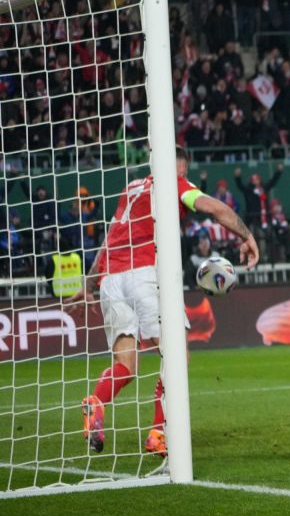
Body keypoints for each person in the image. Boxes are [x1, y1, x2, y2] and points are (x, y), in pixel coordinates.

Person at [71, 146, 259, 455]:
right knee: (176, 357)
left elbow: (108, 239)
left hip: (110, 281)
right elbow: (214, 208)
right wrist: (247, 236)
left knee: (125, 364)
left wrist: (89, 283)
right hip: (144, 274)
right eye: (183, 170)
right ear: (181, 168)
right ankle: (158, 432)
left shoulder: (132, 188)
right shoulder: (176, 183)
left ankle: (96, 402)